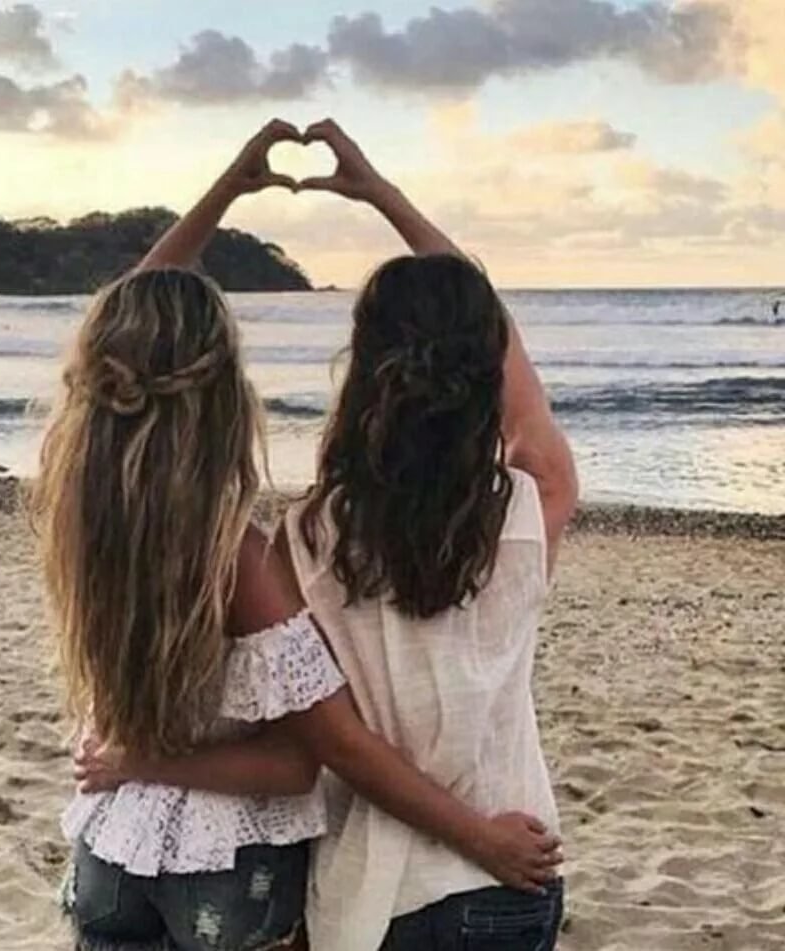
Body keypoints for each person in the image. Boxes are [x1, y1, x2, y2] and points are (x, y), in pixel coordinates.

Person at [35, 120, 562, 951]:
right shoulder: (530, 511)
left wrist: (224, 192)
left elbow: (112, 357)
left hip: (308, 889)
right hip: (478, 872)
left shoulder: (300, 538)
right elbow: (323, 749)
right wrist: (386, 196)